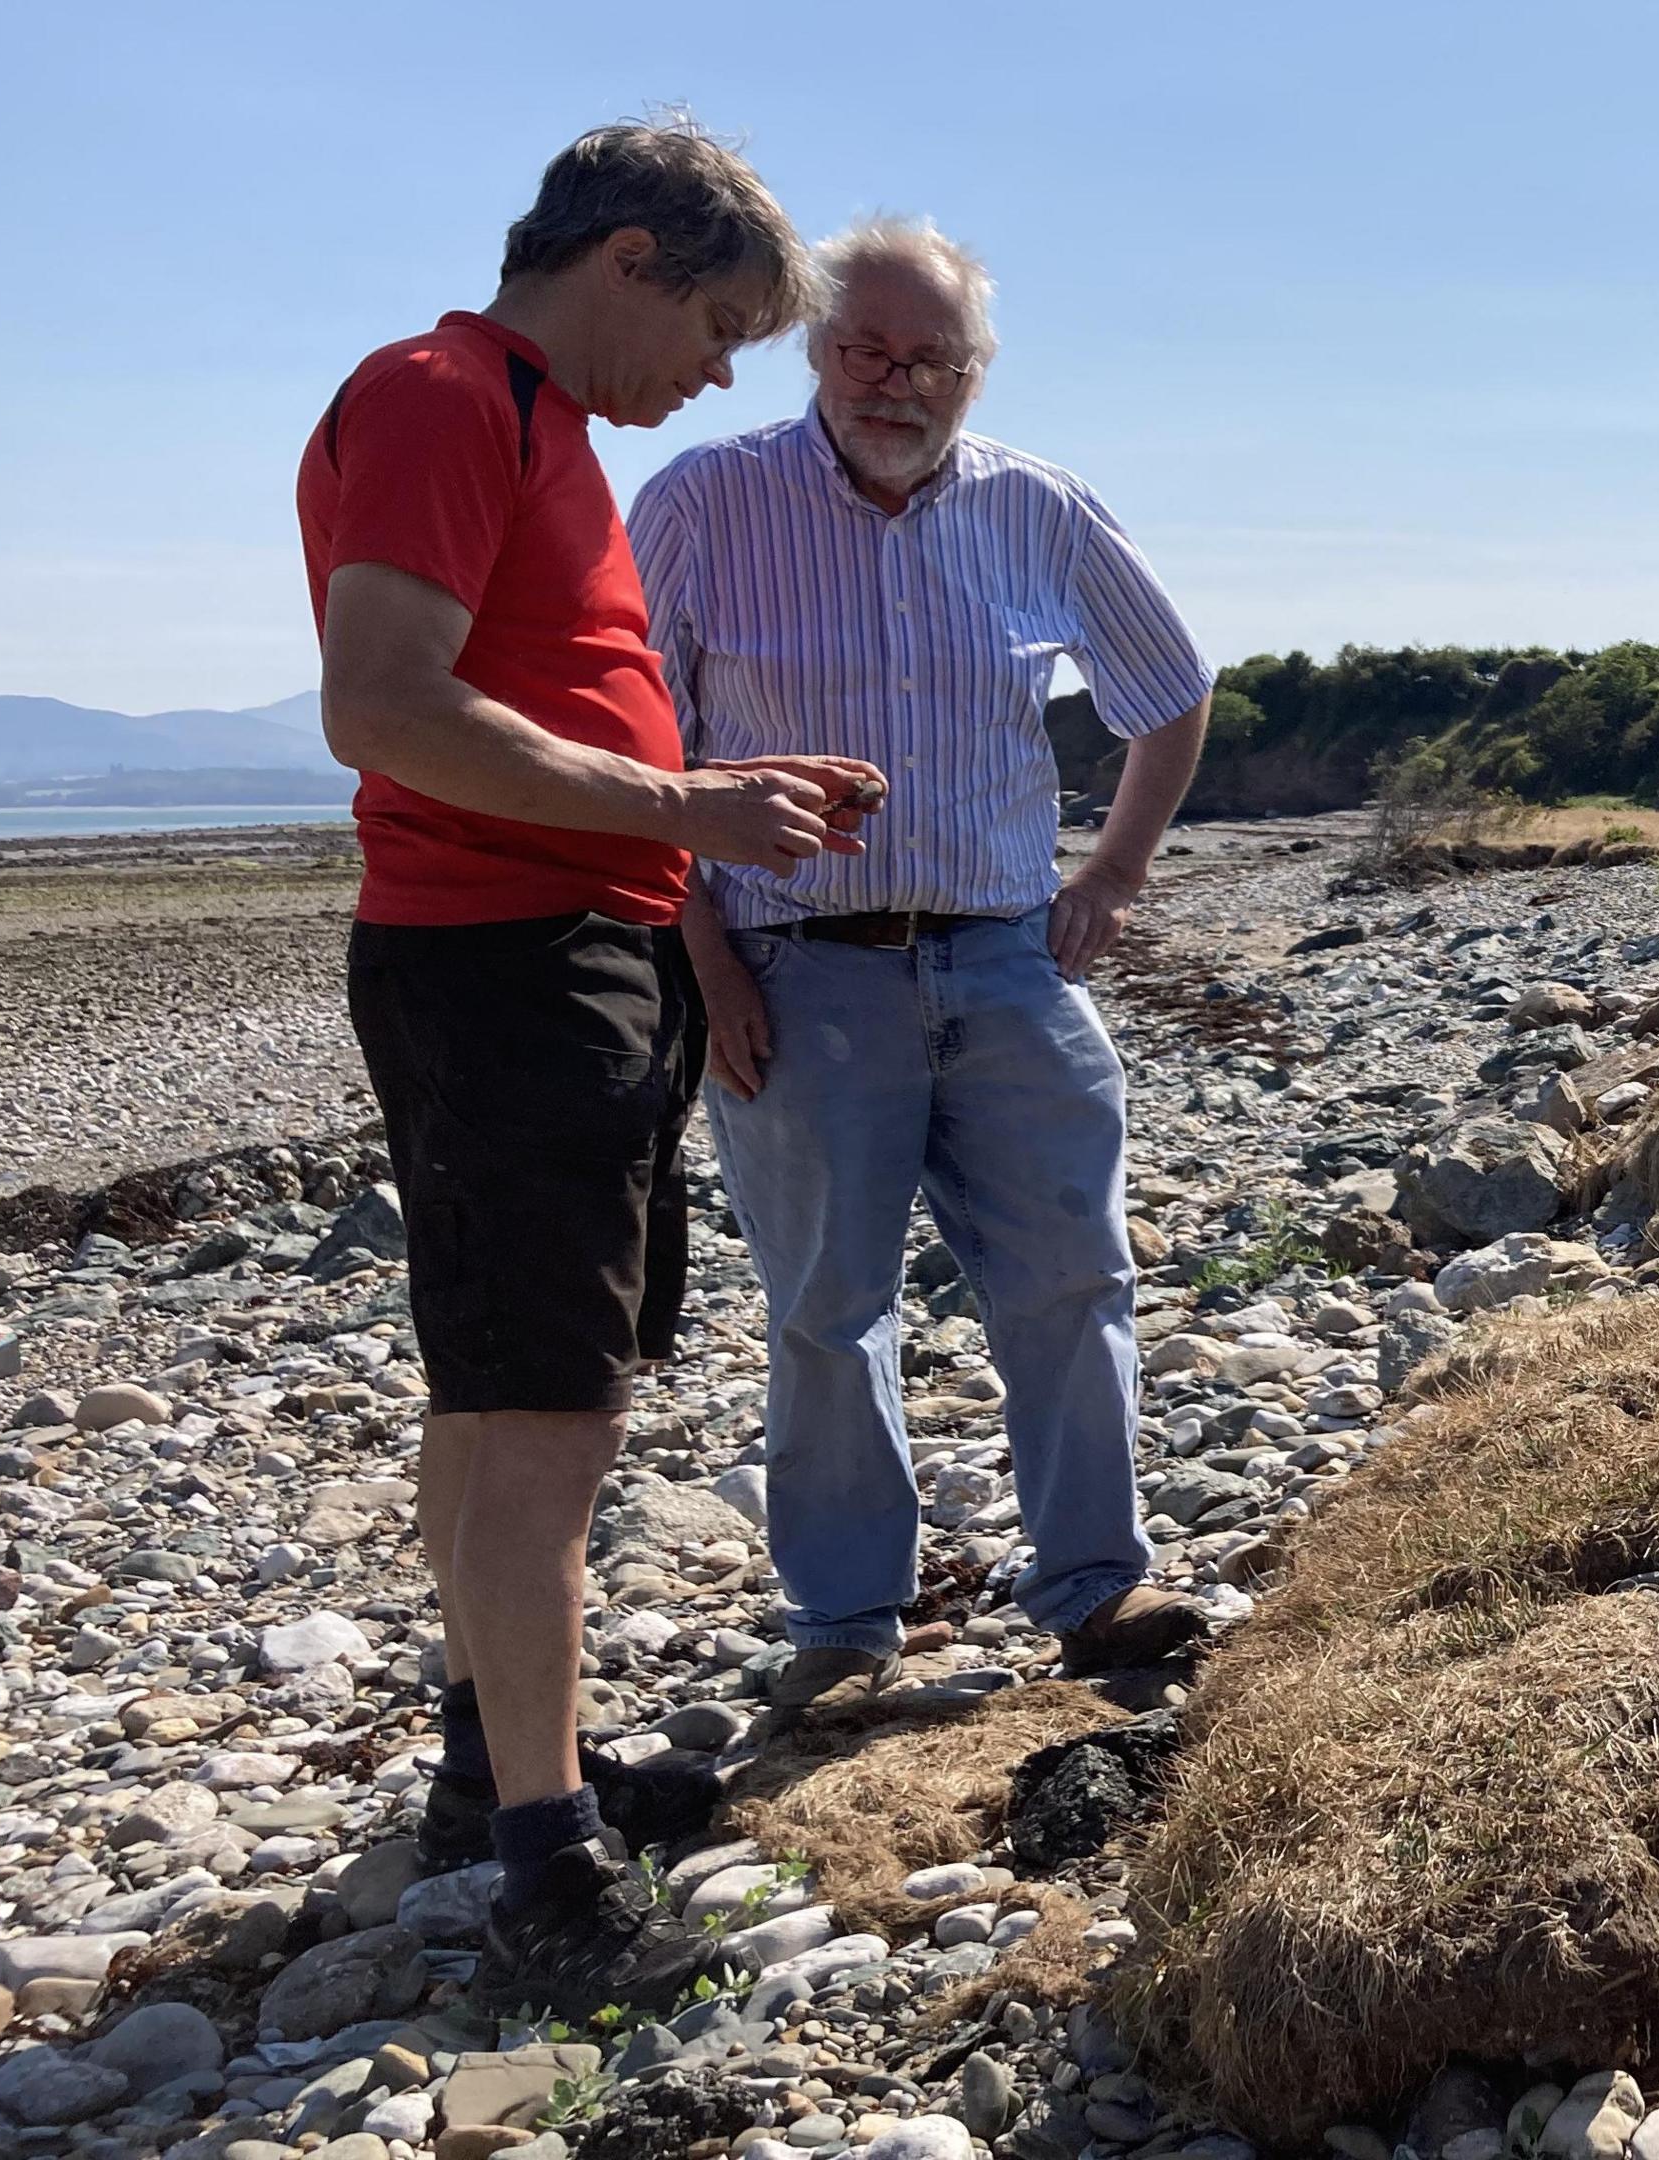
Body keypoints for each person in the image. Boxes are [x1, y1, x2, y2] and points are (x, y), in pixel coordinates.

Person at [302, 117, 885, 2013]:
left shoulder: (538, 422)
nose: (717, 376)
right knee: (545, 1401)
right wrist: (677, 802)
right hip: (501, 960)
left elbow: (534, 688)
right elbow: (381, 704)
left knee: (505, 1386)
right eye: (717, 326)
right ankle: (549, 1869)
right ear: (628, 256)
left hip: (581, 947)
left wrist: (708, 814)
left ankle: (495, 1767)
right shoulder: (438, 393)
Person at [630, 215, 1215, 1722]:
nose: (897, 382)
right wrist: (704, 964)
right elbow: (640, 755)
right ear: (814, 351)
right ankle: (843, 1624)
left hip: (1010, 963)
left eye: (930, 358)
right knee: (828, 1307)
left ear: (974, 368)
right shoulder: (704, 498)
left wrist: (1116, 877)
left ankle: (1098, 1585)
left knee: (1076, 1279)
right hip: (792, 969)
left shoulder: (1042, 506)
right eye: (866, 350)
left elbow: (1174, 689)